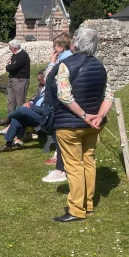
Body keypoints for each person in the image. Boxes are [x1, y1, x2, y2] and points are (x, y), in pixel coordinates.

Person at [49, 28, 114, 222]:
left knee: (74, 166)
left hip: (70, 124)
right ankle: (89, 204)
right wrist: (99, 116)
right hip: (93, 125)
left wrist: (85, 115)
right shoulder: (101, 66)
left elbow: (64, 96)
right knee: (88, 161)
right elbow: (109, 95)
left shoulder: (64, 65)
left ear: (75, 43)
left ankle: (77, 209)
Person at [41, 34, 73, 183]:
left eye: (55, 46)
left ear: (60, 47)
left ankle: (61, 169)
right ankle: (61, 166)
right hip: (59, 101)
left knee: (59, 134)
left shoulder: (64, 60)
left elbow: (49, 78)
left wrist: (51, 62)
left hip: (58, 102)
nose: (54, 49)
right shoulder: (68, 58)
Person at [0, 73, 47, 153]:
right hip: (36, 113)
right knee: (16, 120)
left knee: (22, 109)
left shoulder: (53, 91)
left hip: (45, 117)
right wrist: (30, 103)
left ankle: (7, 119)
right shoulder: (43, 88)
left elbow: (47, 109)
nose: (40, 81)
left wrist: (32, 107)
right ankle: (8, 145)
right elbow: (36, 98)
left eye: (42, 79)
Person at [0, 39, 31, 136]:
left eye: (10, 48)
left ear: (14, 48)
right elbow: (11, 66)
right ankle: (10, 122)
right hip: (12, 79)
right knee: (10, 101)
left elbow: (11, 67)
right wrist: (10, 65)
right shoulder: (15, 55)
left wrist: (9, 66)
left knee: (20, 103)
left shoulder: (23, 55)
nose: (10, 50)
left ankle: (19, 126)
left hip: (20, 80)